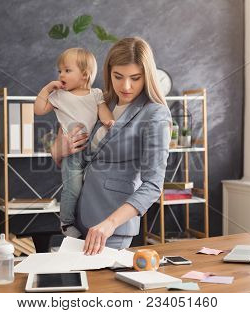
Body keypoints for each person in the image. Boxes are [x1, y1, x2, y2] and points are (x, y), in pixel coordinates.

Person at [50, 37, 172, 255]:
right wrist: (59, 149)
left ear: (147, 76)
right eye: (118, 77)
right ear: (108, 72)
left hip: (111, 227)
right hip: (79, 218)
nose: (125, 86)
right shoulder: (101, 101)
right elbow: (66, 152)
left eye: (135, 78)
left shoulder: (155, 114)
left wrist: (109, 223)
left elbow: (153, 185)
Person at [34, 48, 115, 238]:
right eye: (59, 71)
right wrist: (47, 89)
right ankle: (66, 222)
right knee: (73, 188)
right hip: (73, 153)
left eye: (67, 70)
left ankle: (88, 220)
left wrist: (110, 122)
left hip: (94, 151)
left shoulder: (95, 94)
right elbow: (39, 109)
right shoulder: (59, 96)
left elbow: (103, 112)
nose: (61, 74)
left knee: (91, 188)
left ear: (84, 75)